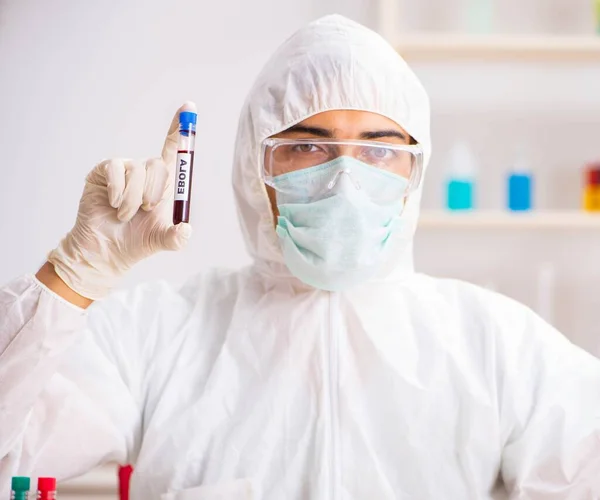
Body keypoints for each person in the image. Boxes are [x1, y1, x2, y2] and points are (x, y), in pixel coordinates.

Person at [1, 14, 599, 500]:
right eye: (307, 146)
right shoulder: (161, 332)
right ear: (253, 165)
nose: (344, 179)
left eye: (379, 150)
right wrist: (72, 276)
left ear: (415, 172)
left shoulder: (492, 343)